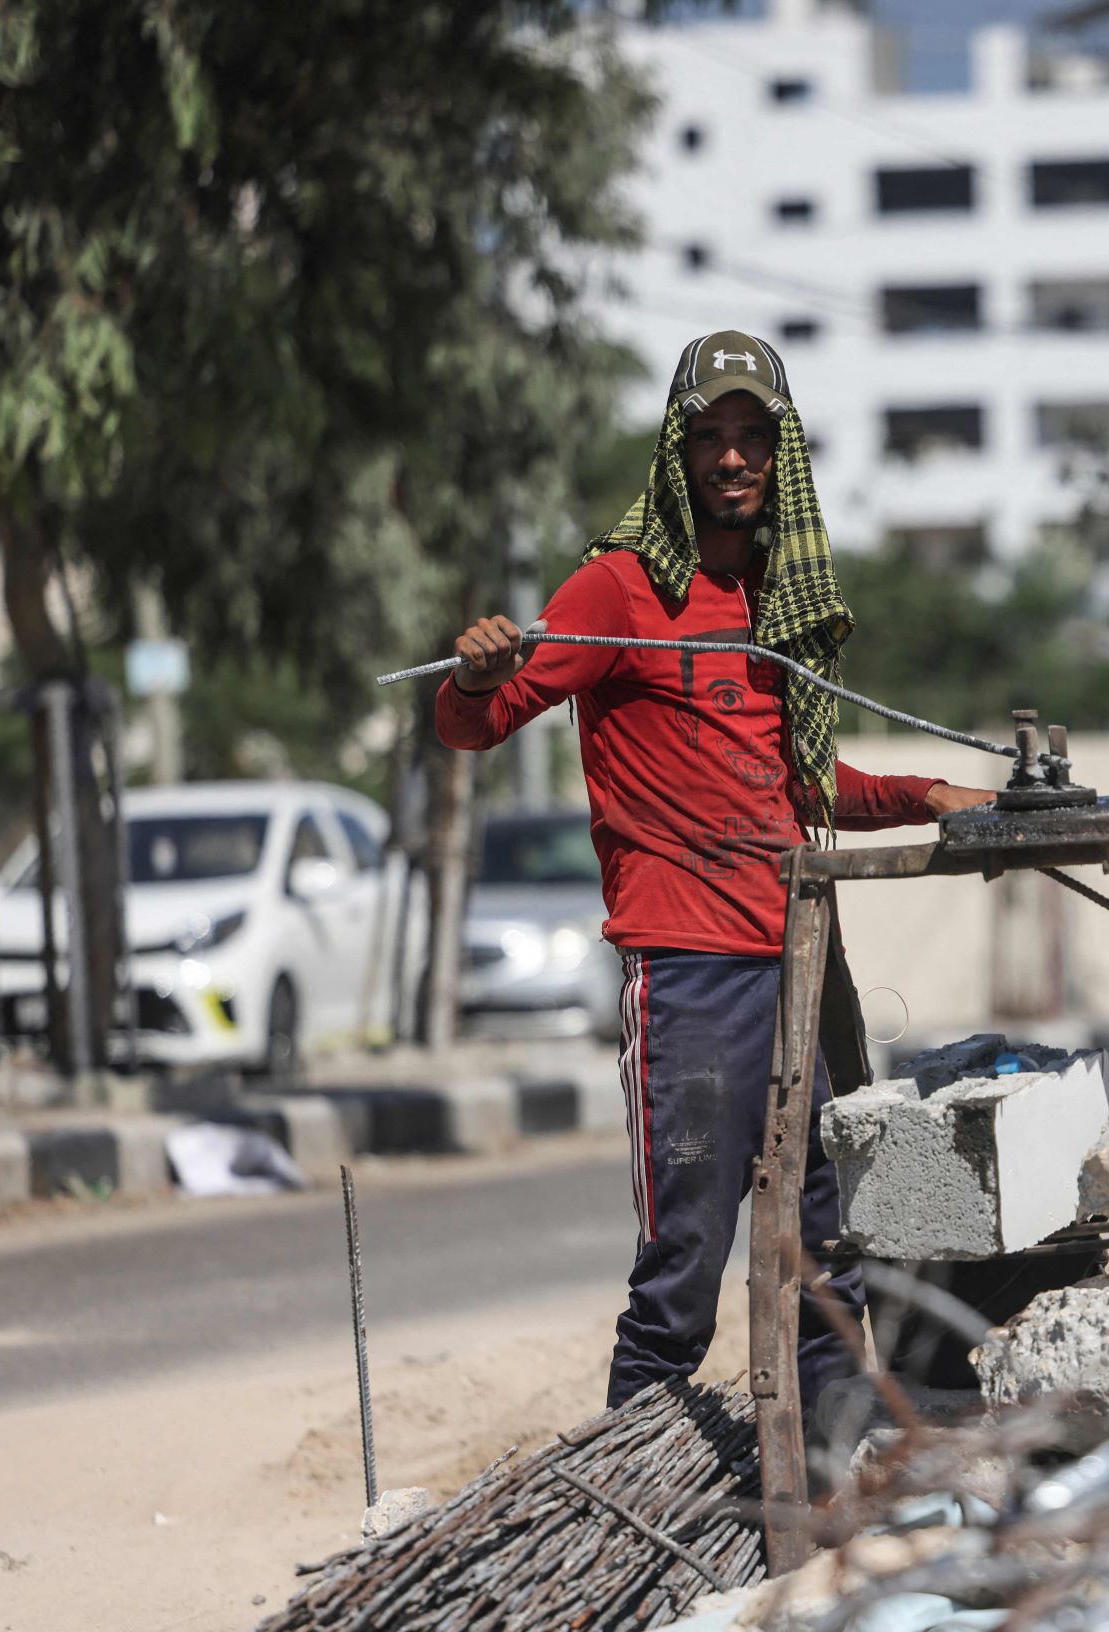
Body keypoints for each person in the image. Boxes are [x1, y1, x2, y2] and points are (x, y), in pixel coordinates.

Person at [436, 329, 993, 1412]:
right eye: (709, 438)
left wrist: (925, 795)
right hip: (690, 973)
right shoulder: (619, 590)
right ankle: (634, 1502)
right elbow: (478, 726)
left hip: (800, 959)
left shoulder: (777, 603)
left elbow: (800, 785)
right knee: (685, 1272)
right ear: (677, 456)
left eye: (753, 437)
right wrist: (471, 676)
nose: (731, 458)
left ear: (781, 456)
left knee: (832, 1254)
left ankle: (823, 1495)